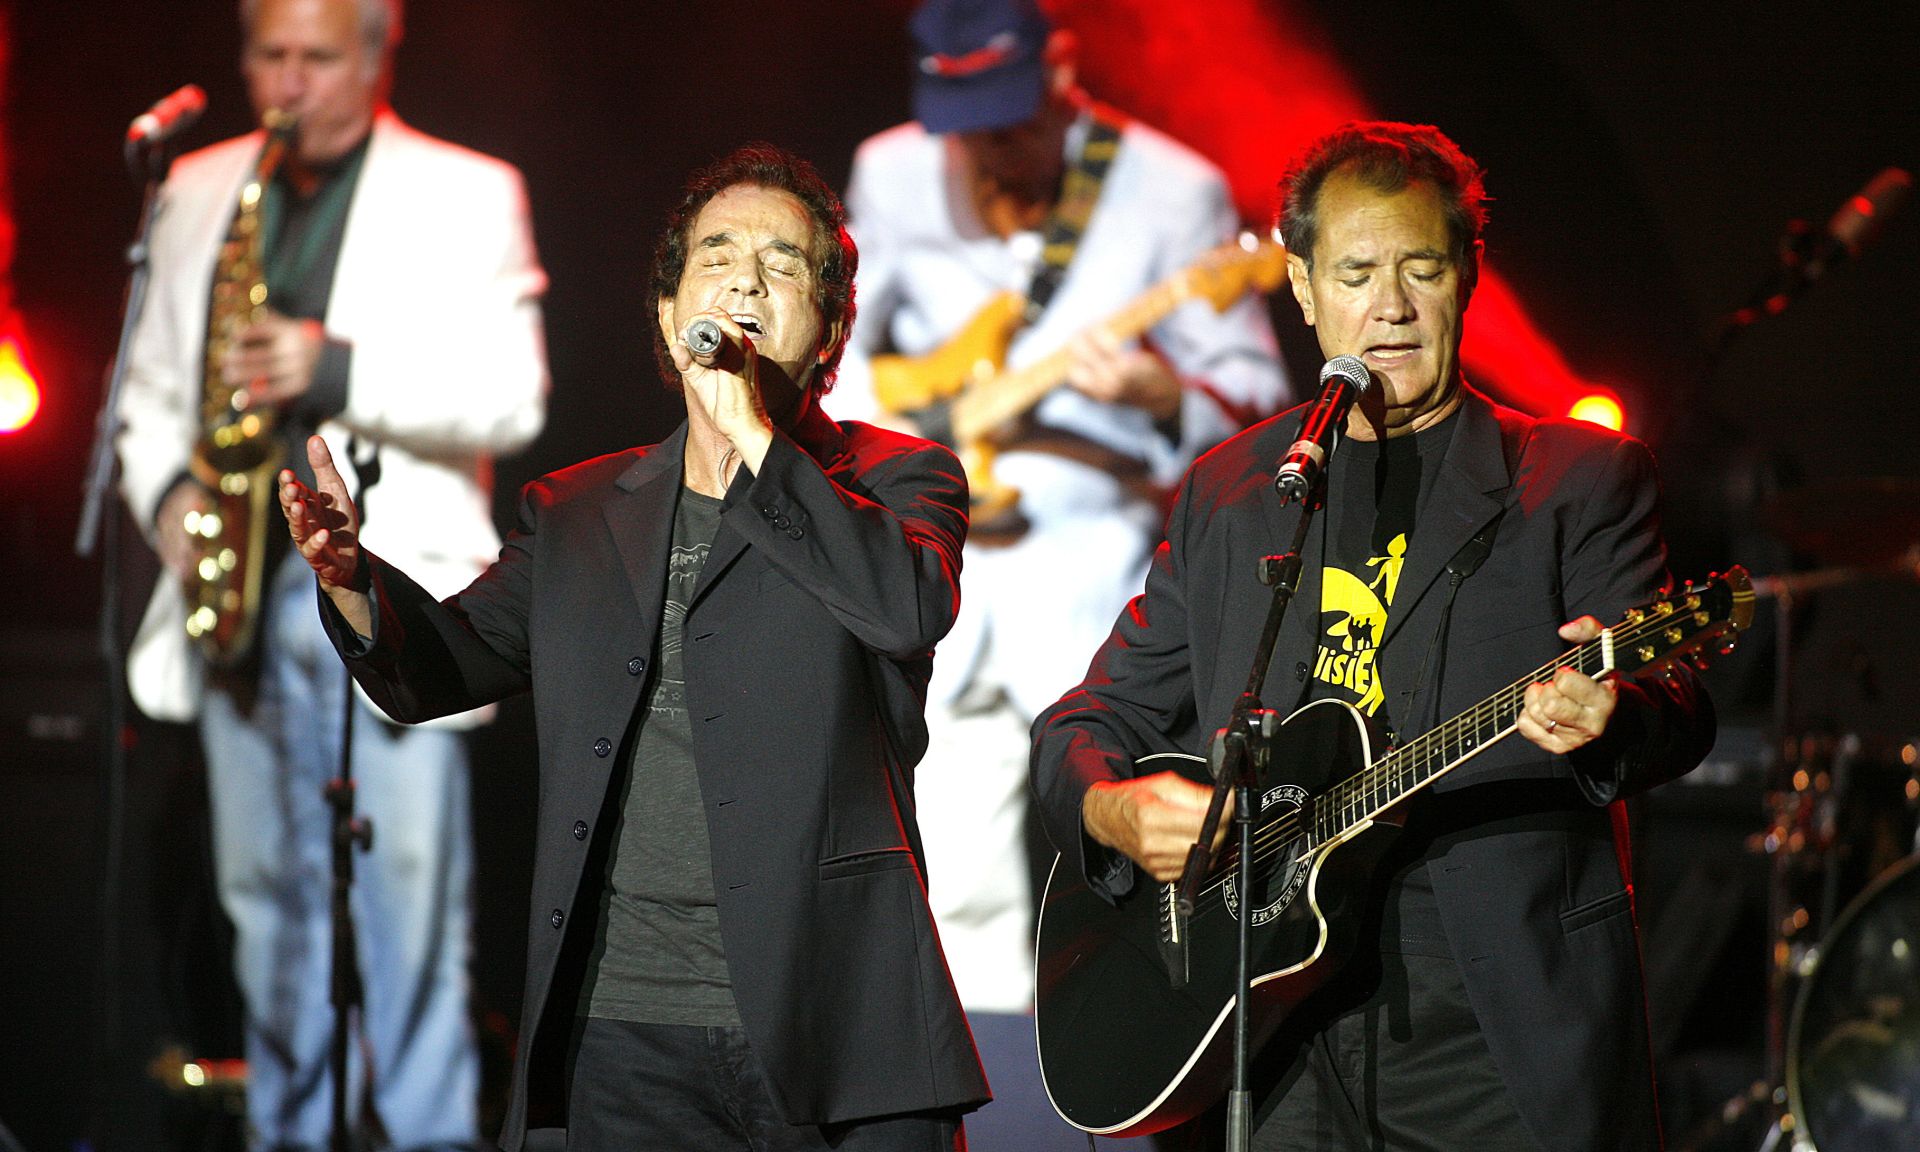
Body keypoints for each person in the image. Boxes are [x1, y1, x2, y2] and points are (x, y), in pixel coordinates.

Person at [277, 144, 989, 1151]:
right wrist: (351, 579)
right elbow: (443, 668)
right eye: (719, 257)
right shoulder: (577, 513)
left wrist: (754, 440)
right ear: (668, 313)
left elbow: (905, 607)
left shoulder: (896, 482)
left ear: (830, 329)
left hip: (835, 1023)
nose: (746, 279)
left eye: (784, 267)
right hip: (621, 1033)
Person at [1030, 121, 1716, 1150]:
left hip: (1484, 1026)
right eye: (1356, 273)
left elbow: (1677, 705)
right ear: (1303, 288)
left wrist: (1613, 715)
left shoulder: (1578, 480)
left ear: (1467, 276)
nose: (1390, 306)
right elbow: (1088, 719)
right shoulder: (1234, 492)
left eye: (1420, 269)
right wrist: (1112, 810)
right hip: (1265, 1030)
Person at [824, 0, 1289, 1103]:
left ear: (1063, 66)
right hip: (939, 566)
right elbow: (831, 346)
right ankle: (989, 1111)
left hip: (1090, 571)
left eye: (1010, 117)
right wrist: (913, 410)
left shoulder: (1172, 190)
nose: (988, 148)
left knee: (1101, 875)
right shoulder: (891, 171)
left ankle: (1110, 1096)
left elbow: (1264, 403)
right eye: (965, 121)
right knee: (952, 878)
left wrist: (1163, 389)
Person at [114, 0, 548, 1145]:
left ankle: (429, 1134)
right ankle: (291, 1134)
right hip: (238, 596)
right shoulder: (196, 187)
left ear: (374, 53)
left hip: (387, 599)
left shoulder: (469, 188)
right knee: (264, 908)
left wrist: (336, 365)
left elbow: (514, 393)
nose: (287, 83)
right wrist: (168, 506)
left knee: (409, 909)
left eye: (315, 57)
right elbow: (148, 394)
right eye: (269, 54)